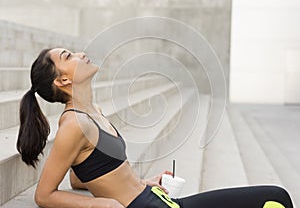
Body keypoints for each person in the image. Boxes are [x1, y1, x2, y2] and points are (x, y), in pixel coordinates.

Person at [17, 48, 294, 208]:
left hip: (157, 198)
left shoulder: (94, 112)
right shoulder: (74, 124)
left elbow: (81, 175)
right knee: (275, 199)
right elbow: (44, 194)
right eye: (69, 56)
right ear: (63, 80)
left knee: (275, 198)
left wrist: (145, 181)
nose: (80, 54)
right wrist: (100, 204)